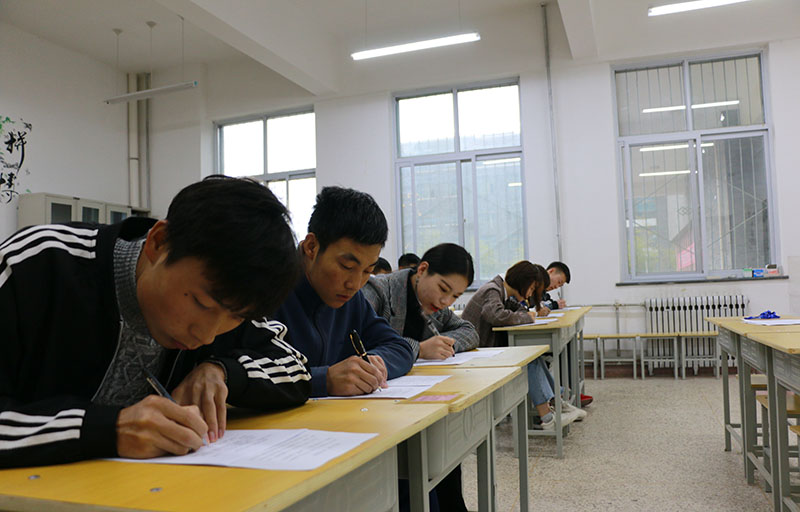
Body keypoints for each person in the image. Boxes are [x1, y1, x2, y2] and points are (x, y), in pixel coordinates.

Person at [0, 176, 311, 468]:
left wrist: (221, 372)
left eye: (237, 317)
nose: (206, 335)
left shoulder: (227, 298)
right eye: (201, 303)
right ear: (158, 243)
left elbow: (295, 366)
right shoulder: (36, 265)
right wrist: (107, 429)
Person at [273, 186, 415, 398]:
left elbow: (399, 348)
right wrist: (324, 380)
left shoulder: (351, 299)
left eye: (367, 271)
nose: (355, 284)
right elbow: (241, 375)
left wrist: (372, 364)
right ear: (311, 247)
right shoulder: (270, 289)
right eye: (347, 266)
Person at [462, 261, 584, 429]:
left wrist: (526, 314)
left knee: (534, 355)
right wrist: (527, 316)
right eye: (532, 288)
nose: (531, 293)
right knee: (528, 359)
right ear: (523, 283)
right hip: (477, 352)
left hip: (487, 348)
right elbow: (495, 315)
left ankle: (557, 403)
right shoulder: (493, 289)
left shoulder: (503, 293)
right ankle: (548, 418)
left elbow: (519, 310)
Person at [363, 243, 478, 361]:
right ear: (422, 270)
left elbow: (469, 331)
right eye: (443, 289)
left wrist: (443, 345)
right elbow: (361, 340)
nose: (446, 301)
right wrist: (420, 349)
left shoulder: (436, 307)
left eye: (455, 296)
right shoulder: (377, 290)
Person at [537, 260, 592, 407]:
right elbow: (536, 308)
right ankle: (564, 392)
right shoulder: (534, 285)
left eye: (560, 286)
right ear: (551, 272)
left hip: (544, 332)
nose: (556, 287)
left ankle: (569, 390)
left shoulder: (544, 293)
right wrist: (554, 305)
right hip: (535, 337)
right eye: (558, 282)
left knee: (568, 344)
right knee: (563, 346)